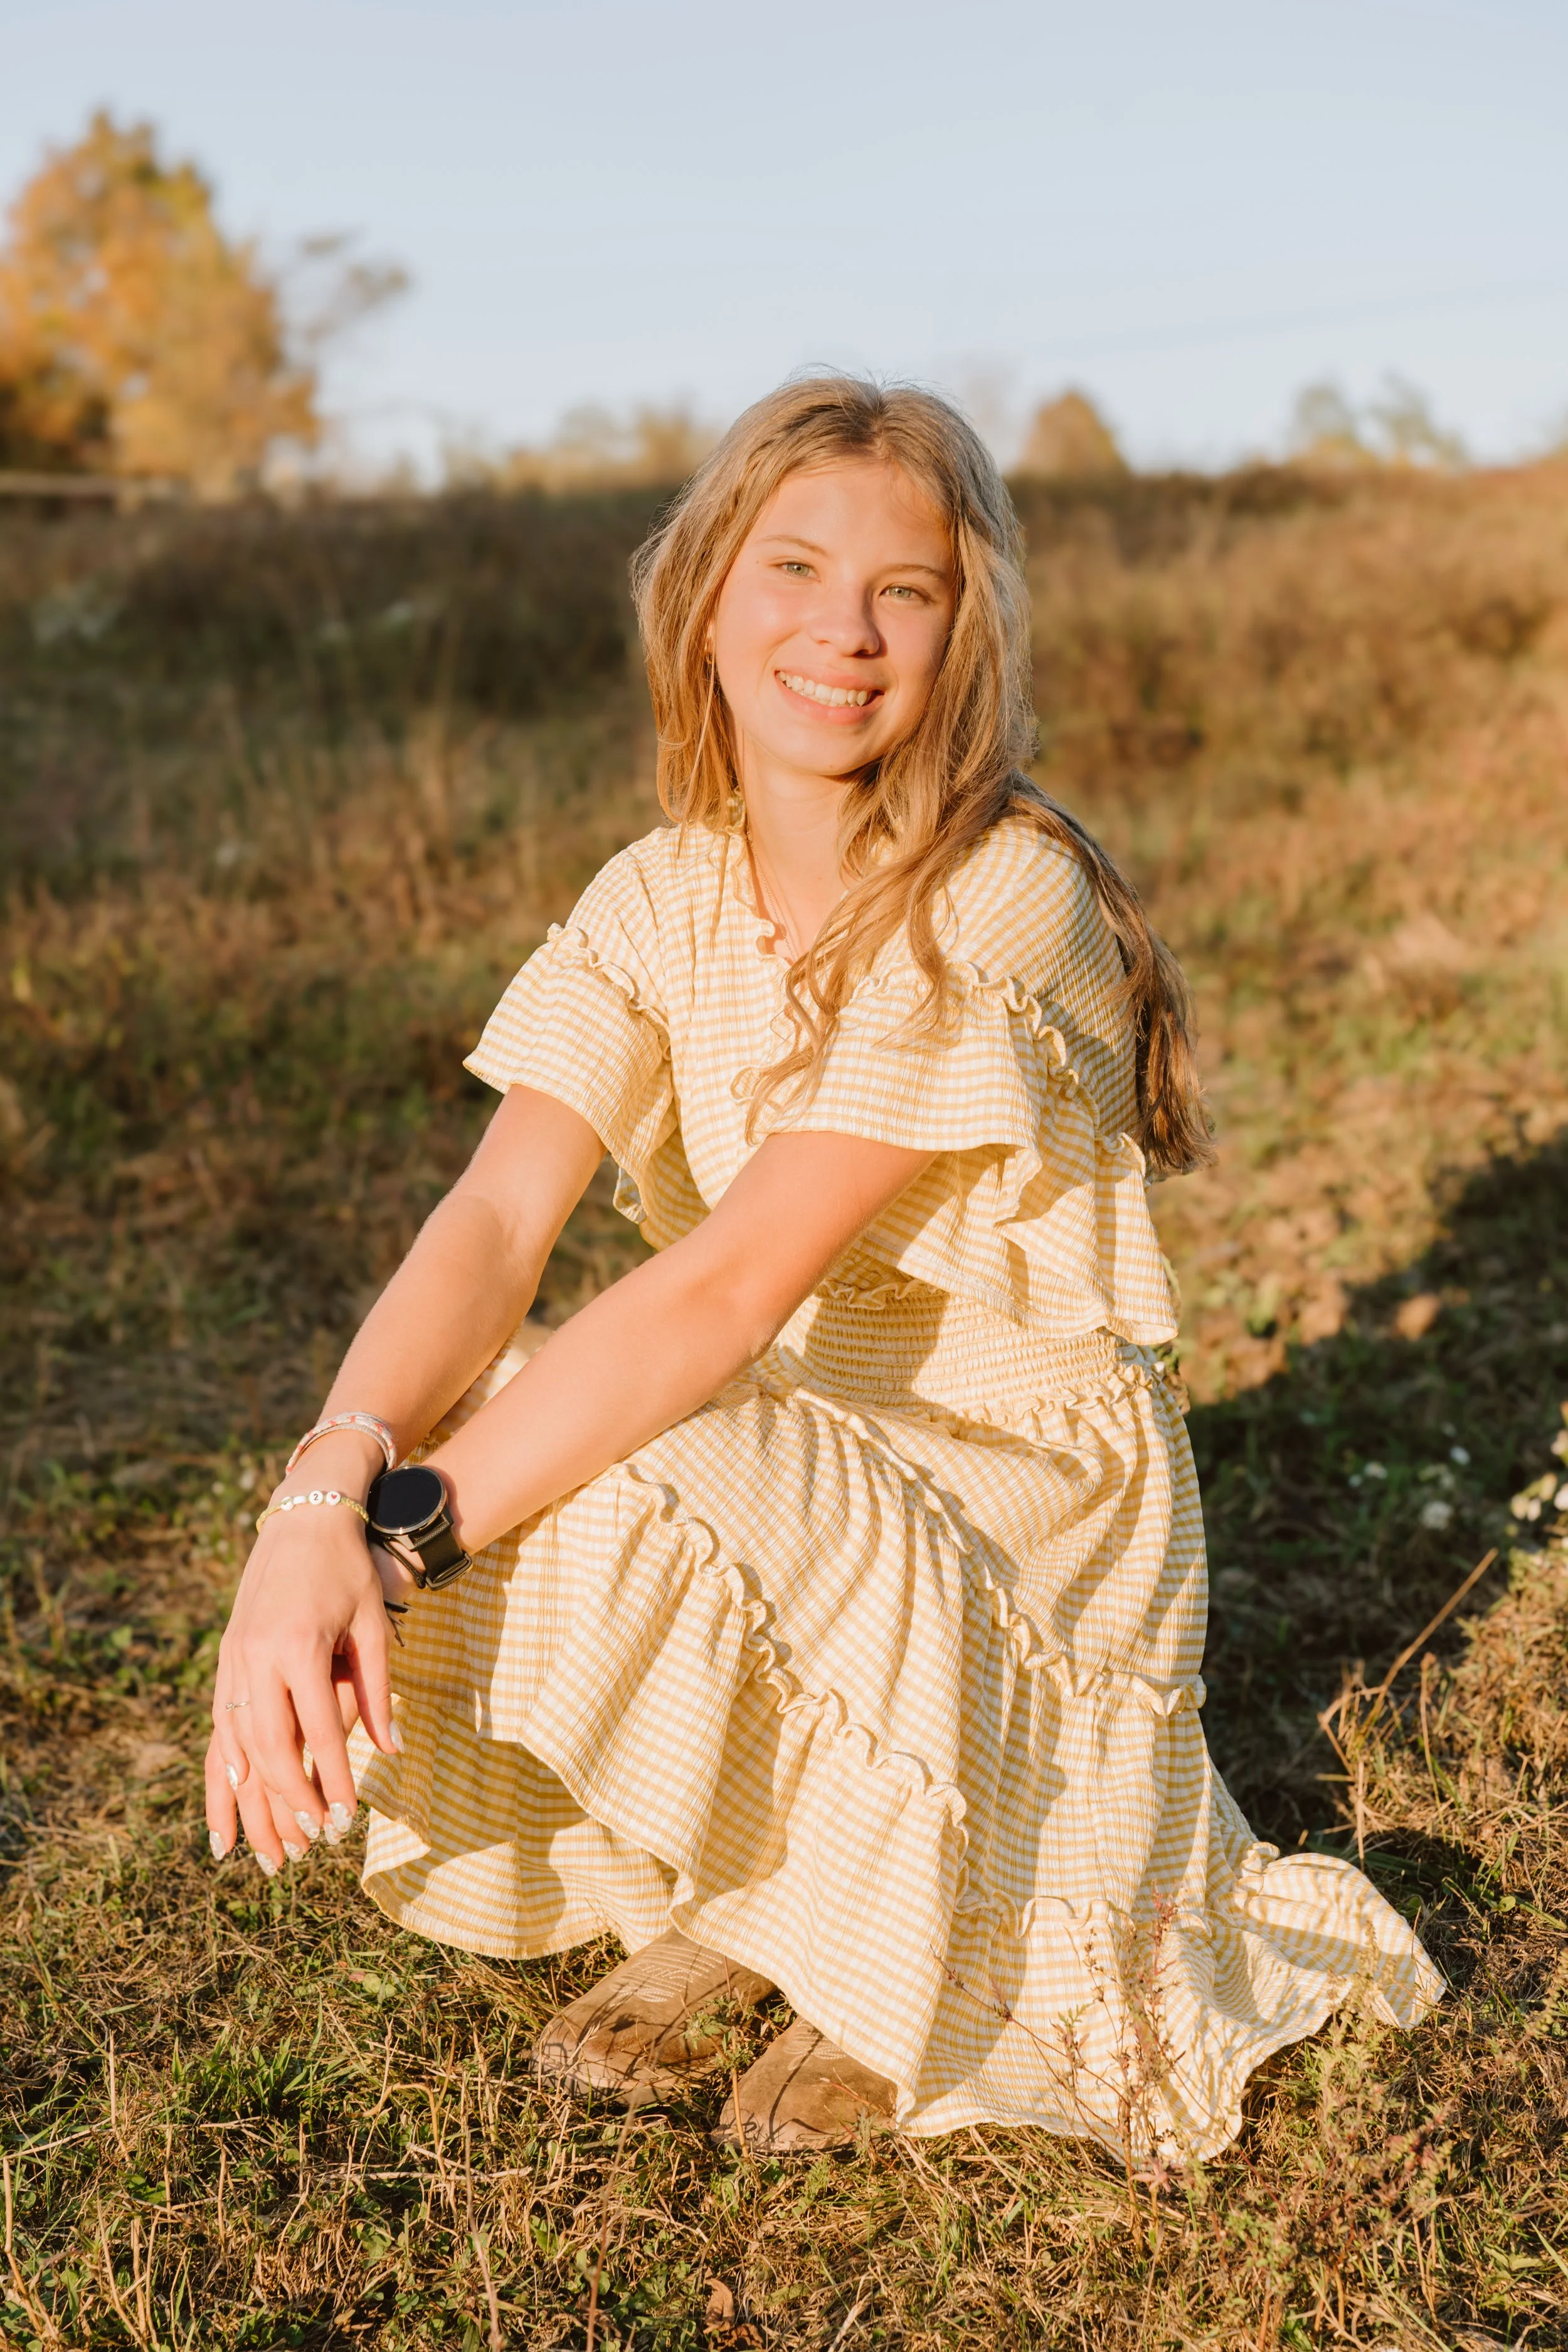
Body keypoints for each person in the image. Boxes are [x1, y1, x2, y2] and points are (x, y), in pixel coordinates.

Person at [205, 376, 1441, 2163]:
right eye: (791, 566)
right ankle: (765, 1888)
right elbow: (489, 1220)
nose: (842, 633)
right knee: (475, 1410)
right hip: (807, 1444)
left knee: (574, 1441)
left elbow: (723, 1286)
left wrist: (391, 1541)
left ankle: (914, 1952)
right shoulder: (659, 891)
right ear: (705, 598)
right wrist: (317, 1495)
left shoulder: (1005, 892)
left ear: (966, 633)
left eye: (906, 590)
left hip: (1024, 1496)